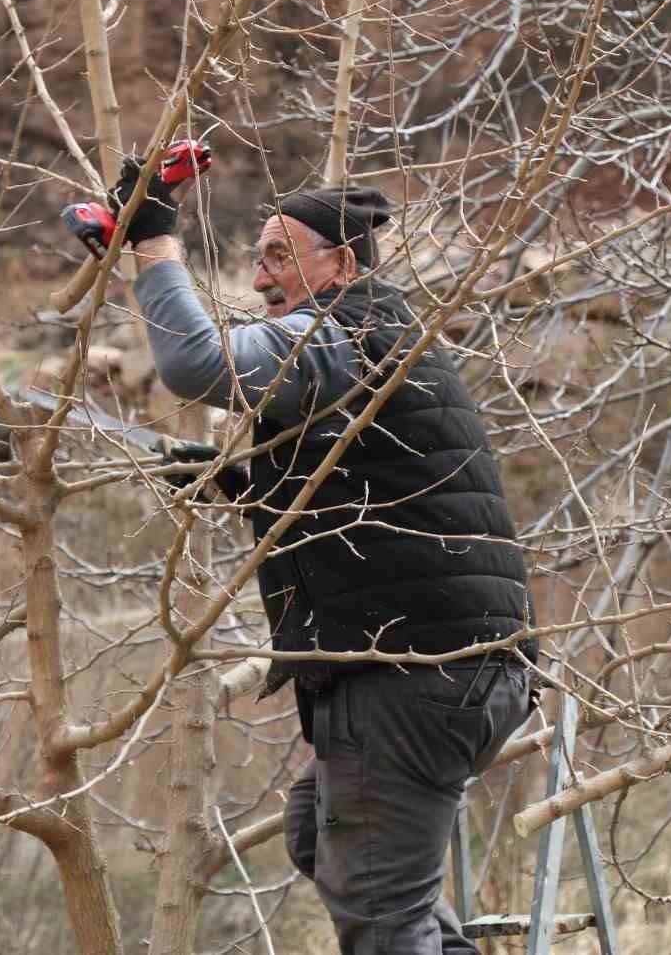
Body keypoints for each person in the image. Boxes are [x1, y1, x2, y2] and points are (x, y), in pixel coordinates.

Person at [109, 160, 538, 955]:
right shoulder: (371, 340)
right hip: (445, 668)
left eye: (279, 255)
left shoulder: (344, 332)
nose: (262, 276)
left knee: (378, 905)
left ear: (340, 265)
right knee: (321, 841)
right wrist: (240, 485)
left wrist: (153, 242)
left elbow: (195, 367)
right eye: (257, 256)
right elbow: (370, 491)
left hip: (414, 670)